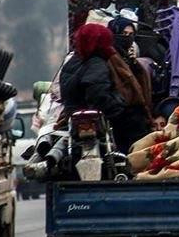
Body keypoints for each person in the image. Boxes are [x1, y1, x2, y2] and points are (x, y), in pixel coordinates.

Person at [59, 23, 152, 153]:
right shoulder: (97, 63)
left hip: (74, 118)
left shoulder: (71, 63)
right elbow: (98, 96)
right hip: (100, 120)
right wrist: (120, 104)